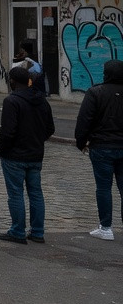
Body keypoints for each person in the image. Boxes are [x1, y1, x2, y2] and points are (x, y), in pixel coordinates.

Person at [0, 65, 54, 244]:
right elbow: (49, 128)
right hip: (35, 153)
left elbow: (8, 131)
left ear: (12, 81)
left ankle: (18, 231)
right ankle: (37, 231)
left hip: (15, 155)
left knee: (16, 193)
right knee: (36, 193)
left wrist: (2, 149)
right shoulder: (42, 100)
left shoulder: (12, 101)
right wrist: (37, 140)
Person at [75, 59, 123, 242]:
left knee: (103, 188)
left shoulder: (96, 92)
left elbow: (84, 120)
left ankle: (106, 226)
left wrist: (81, 142)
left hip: (102, 146)